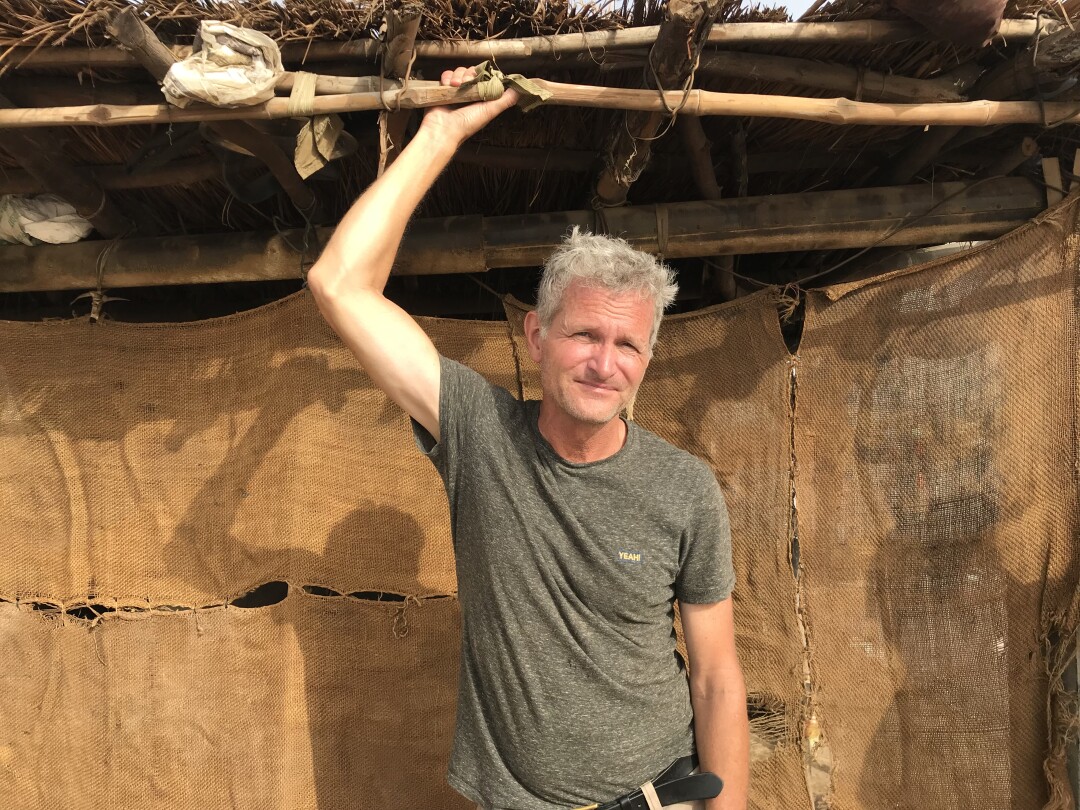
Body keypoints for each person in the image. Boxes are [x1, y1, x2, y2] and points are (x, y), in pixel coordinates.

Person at [307, 66, 749, 810]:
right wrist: (441, 133)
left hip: (661, 797)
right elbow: (339, 284)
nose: (605, 363)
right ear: (537, 335)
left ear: (648, 359)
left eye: (627, 345)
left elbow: (714, 675)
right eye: (583, 334)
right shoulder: (481, 434)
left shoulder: (684, 487)